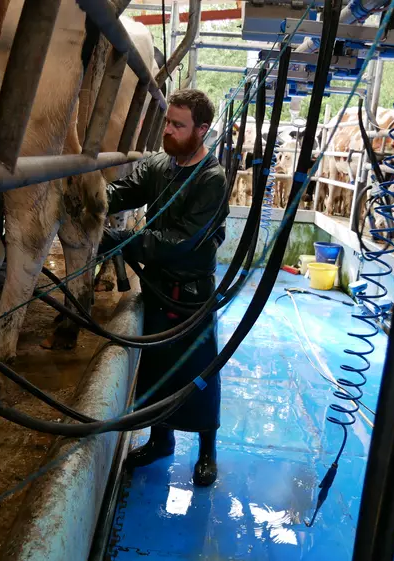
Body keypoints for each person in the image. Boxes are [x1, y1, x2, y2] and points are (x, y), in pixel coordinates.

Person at [98, 89, 229, 487]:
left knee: (198, 373)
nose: (168, 130)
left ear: (202, 129)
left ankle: (207, 452)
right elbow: (120, 194)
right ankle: (160, 440)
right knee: (155, 369)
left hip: (191, 294)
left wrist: (121, 242)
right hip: (156, 288)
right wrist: (88, 198)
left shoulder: (212, 178)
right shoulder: (158, 165)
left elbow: (182, 240)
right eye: (167, 122)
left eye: (178, 125)